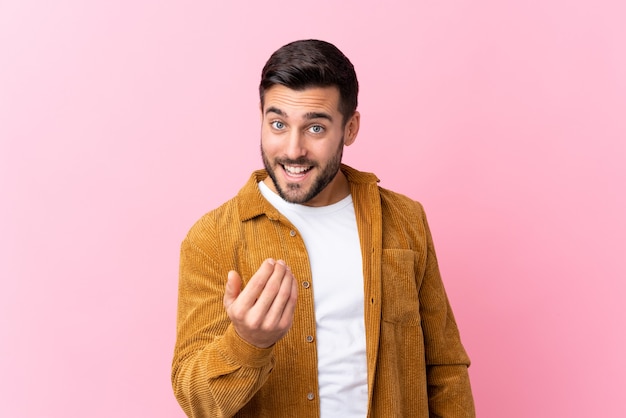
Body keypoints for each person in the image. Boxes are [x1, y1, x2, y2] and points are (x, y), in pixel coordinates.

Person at [171, 39, 475, 418]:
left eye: (315, 127)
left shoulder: (403, 219)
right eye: (278, 124)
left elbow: (444, 369)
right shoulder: (212, 237)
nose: (293, 149)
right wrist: (248, 343)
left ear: (350, 128)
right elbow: (196, 400)